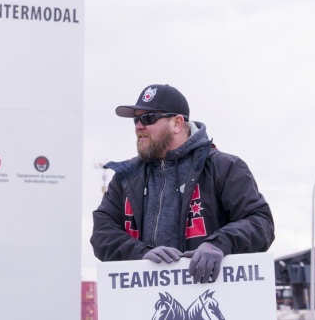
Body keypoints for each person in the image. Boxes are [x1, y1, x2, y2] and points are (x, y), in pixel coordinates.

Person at [91, 84, 274, 283]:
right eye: (136, 119)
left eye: (148, 118)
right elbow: (102, 233)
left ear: (177, 123)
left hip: (209, 301)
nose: (138, 126)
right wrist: (139, 254)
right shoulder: (125, 177)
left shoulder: (224, 167)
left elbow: (260, 223)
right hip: (145, 305)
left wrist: (219, 244)